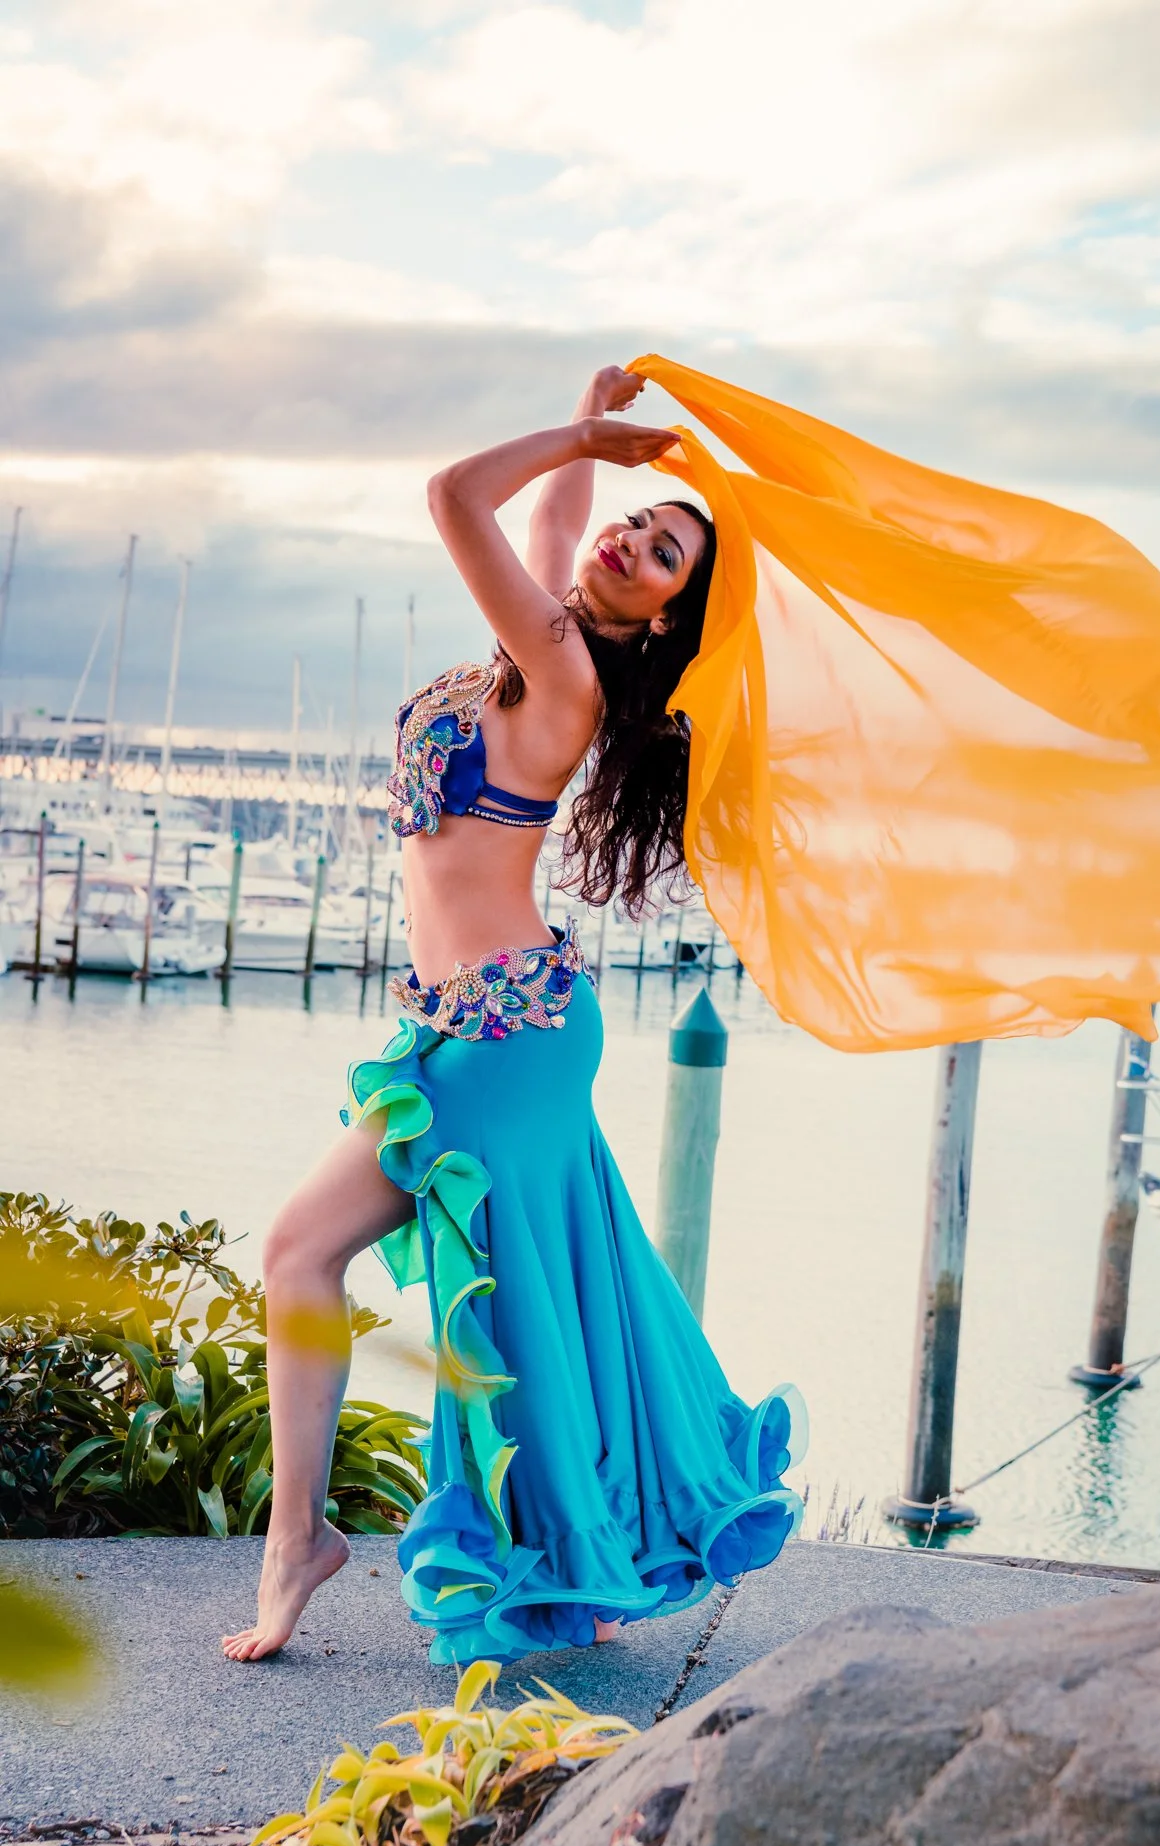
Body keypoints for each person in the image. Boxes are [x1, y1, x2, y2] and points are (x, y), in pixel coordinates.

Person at [223, 365, 805, 1666]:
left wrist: (583, 435)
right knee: (518, 1301)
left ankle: (300, 1546)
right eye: (638, 524)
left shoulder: (564, 672)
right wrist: (590, 436)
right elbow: (545, 525)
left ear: (665, 620)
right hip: (476, 1026)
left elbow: (453, 494)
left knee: (317, 1257)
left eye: (664, 554)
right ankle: (421, 1548)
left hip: (499, 1040)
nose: (628, 541)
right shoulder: (538, 639)